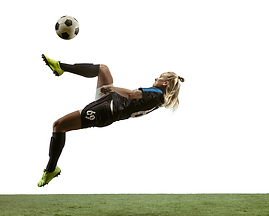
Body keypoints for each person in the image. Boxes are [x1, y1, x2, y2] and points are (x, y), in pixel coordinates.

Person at [37, 54, 184, 187]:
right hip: (109, 102)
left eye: (160, 77)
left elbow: (131, 95)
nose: (156, 78)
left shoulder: (156, 95)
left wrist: (112, 89)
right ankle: (60, 67)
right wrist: (111, 91)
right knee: (103, 69)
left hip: (106, 111)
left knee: (58, 125)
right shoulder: (157, 97)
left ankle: (51, 169)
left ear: (165, 83)